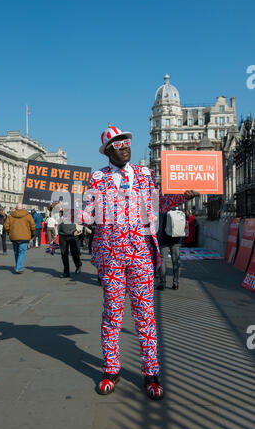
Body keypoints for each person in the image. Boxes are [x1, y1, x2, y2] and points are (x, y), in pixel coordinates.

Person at [78, 124, 199, 400]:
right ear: (108, 151)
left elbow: (157, 203)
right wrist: (69, 212)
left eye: (126, 143)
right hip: (111, 256)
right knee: (112, 313)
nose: (124, 148)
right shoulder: (98, 178)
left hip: (141, 254)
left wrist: (182, 195)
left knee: (145, 314)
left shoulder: (145, 175)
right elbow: (88, 213)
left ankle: (151, 373)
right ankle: (111, 369)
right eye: (118, 145)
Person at [4, 203, 36, 274]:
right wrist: (32, 234)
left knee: (16, 252)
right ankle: (18, 268)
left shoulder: (11, 215)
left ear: (16, 208)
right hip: (24, 237)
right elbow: (33, 226)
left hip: (14, 237)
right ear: (23, 208)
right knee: (22, 252)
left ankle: (18, 266)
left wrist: (9, 232)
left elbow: (6, 226)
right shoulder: (28, 215)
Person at [157, 210, 184, 291]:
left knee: (162, 260)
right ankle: (176, 283)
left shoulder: (160, 208)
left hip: (163, 238)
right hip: (176, 237)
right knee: (176, 260)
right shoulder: (177, 208)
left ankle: (163, 283)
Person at [57, 211, 82, 278]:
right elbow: (58, 225)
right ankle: (66, 272)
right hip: (62, 236)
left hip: (72, 235)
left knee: (74, 253)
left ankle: (78, 265)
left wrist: (77, 230)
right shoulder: (61, 216)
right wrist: (57, 234)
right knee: (64, 254)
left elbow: (81, 223)